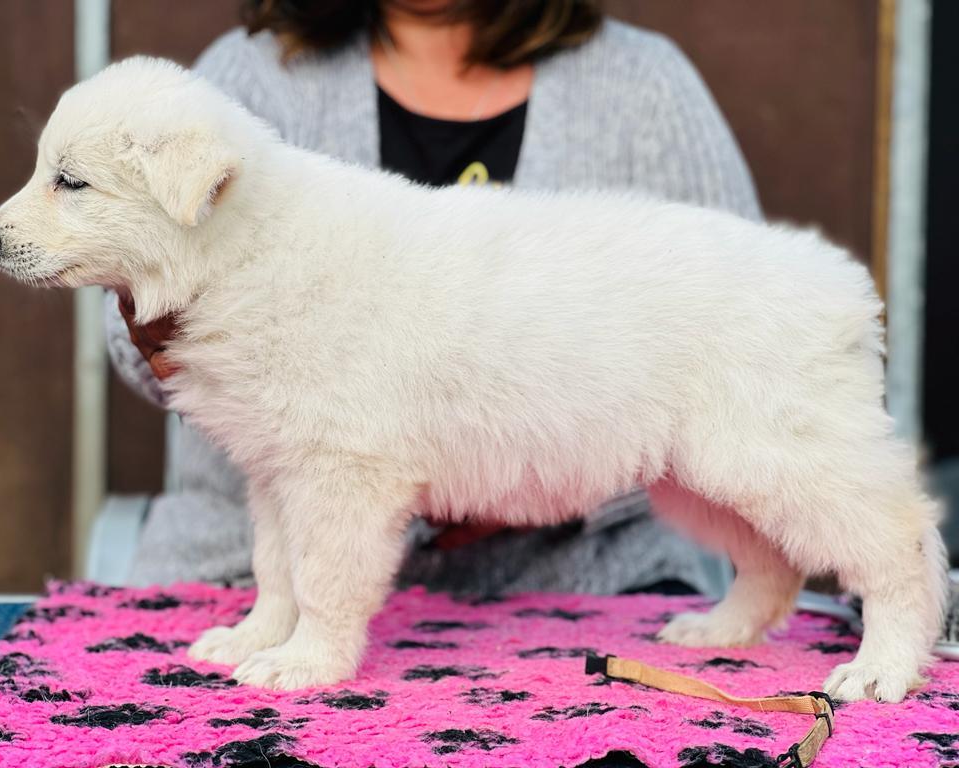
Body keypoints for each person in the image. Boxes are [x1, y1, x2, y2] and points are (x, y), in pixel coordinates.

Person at [106, 0, 761, 593]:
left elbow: (735, 340)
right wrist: (163, 326)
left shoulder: (646, 89)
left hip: (571, 581)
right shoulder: (246, 80)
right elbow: (132, 335)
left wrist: (558, 475)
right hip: (249, 571)